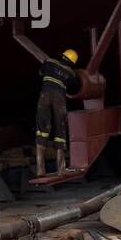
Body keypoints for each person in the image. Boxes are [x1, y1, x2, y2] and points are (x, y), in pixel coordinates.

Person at [35, 49, 81, 177]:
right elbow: (75, 88)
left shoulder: (49, 62)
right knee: (60, 133)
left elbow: (40, 72)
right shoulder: (71, 73)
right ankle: (61, 170)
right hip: (59, 100)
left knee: (42, 131)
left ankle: (40, 170)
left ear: (63, 55)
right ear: (72, 62)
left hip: (44, 97)